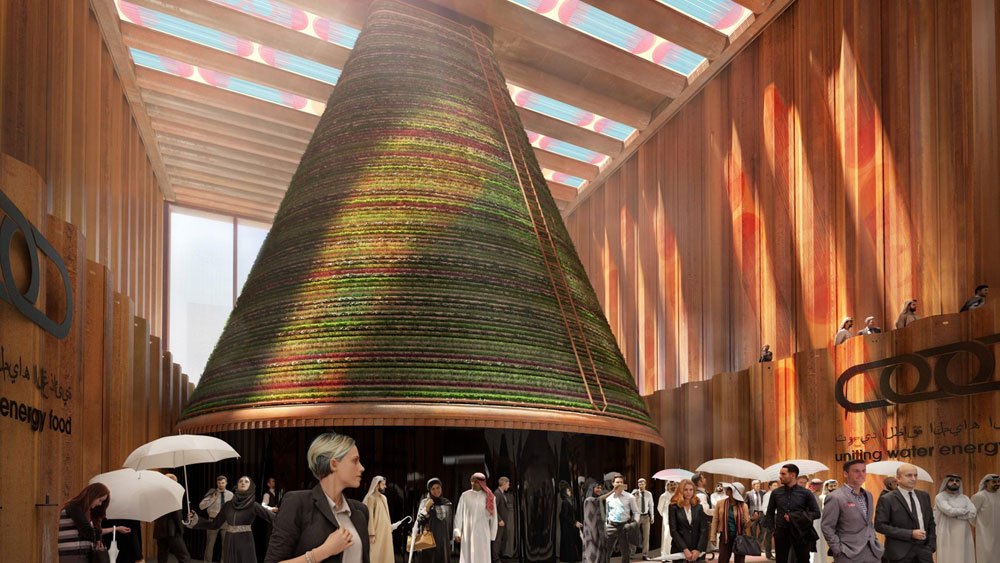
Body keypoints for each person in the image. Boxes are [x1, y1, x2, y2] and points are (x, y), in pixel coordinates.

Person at [263, 431, 370, 563]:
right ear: (334, 464)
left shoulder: (360, 511)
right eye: (355, 461)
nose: (362, 468)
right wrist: (323, 552)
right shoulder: (297, 503)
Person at [189, 476, 276, 562]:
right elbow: (214, 524)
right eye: (240, 481)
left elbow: (273, 518)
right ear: (237, 485)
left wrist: (287, 518)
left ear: (251, 486)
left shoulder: (253, 505)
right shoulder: (228, 505)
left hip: (245, 540)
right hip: (229, 540)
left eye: (246, 481)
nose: (243, 482)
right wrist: (195, 520)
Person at [819, 459, 883, 563]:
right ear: (845, 473)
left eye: (863, 471)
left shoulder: (868, 495)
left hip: (872, 551)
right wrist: (837, 550)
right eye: (856, 471)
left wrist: (875, 541)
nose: (861, 474)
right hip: (847, 553)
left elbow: (868, 523)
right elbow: (827, 526)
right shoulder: (835, 497)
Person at [873, 463, 935, 563]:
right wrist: (910, 534)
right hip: (899, 554)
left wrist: (931, 546)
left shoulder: (924, 496)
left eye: (915, 475)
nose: (913, 478)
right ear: (898, 478)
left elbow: (931, 523)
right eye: (909, 475)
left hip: (924, 552)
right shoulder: (887, 499)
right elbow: (880, 525)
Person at [58, 483, 129, 563]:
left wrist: (98, 539)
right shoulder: (74, 507)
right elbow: (87, 532)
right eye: (100, 500)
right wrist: (112, 530)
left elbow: (89, 532)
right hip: (74, 555)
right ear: (93, 495)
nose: (100, 504)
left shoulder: (83, 511)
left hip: (80, 554)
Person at [764, 464, 820, 563]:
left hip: (801, 532)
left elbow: (816, 513)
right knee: (781, 560)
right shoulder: (776, 493)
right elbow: (769, 513)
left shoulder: (806, 493)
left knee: (803, 560)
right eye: (780, 474)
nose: (780, 476)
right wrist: (772, 530)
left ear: (793, 475)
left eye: (783, 474)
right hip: (781, 532)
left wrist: (795, 517)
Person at [454, 472, 498, 563]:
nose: (474, 484)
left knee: (483, 557)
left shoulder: (490, 497)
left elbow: (494, 518)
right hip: (467, 533)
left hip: (483, 533)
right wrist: (457, 532)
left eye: (477, 482)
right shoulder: (465, 496)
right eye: (473, 481)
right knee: (468, 556)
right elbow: (459, 515)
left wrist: (492, 534)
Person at [933, 475, 975, 563]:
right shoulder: (940, 496)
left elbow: (973, 512)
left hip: (964, 533)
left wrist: (958, 515)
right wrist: (964, 511)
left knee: (963, 555)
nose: (954, 482)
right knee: (948, 555)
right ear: (946, 482)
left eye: (957, 481)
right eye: (951, 480)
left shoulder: (965, 498)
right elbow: (949, 511)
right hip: (947, 532)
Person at [667, 478, 709, 561]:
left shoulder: (698, 507)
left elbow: (704, 530)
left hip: (697, 550)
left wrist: (698, 550)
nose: (688, 492)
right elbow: (673, 531)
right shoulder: (673, 507)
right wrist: (685, 549)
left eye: (691, 489)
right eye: (685, 490)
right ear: (681, 490)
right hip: (679, 549)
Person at [154, 473, 191, 563]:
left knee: (162, 558)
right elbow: (177, 513)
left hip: (159, 531)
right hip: (172, 531)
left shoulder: (157, 494)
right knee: (184, 557)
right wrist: (181, 529)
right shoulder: (173, 493)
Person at [416, 478, 454, 563]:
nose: (436, 490)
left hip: (443, 541)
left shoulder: (447, 503)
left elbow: (450, 523)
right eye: (433, 488)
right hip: (429, 539)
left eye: (438, 487)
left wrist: (451, 539)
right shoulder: (425, 502)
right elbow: (419, 520)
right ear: (429, 490)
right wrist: (427, 507)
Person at [710, 483, 750, 563]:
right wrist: (713, 536)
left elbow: (745, 525)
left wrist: (752, 519)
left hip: (739, 537)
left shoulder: (743, 506)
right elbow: (715, 520)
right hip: (724, 536)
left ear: (734, 492)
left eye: (729, 489)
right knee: (723, 559)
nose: (727, 490)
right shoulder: (720, 503)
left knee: (739, 560)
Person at [603, 474, 638, 562]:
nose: (619, 484)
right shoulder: (609, 498)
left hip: (624, 526)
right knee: (606, 550)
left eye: (621, 482)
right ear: (613, 484)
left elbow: (636, 512)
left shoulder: (630, 497)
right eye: (617, 482)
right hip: (611, 526)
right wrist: (606, 524)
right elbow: (607, 512)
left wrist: (635, 523)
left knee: (625, 552)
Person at [200, 475, 234, 562]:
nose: (221, 484)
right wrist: (212, 499)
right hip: (213, 521)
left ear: (226, 483)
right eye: (219, 483)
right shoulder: (212, 493)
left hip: (226, 522)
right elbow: (201, 507)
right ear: (217, 483)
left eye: (223, 483)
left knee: (225, 545)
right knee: (210, 544)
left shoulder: (231, 495)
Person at [364, 476, 393, 563]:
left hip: (386, 531)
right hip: (377, 531)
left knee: (386, 553)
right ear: (377, 485)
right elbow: (370, 517)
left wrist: (389, 527)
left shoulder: (384, 498)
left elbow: (387, 515)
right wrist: (371, 533)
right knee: (376, 553)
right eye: (383, 484)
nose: (385, 486)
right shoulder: (371, 498)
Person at [972, 474, 999, 563]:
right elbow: (971, 515)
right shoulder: (979, 496)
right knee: (986, 557)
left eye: (998, 481)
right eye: (994, 482)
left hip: (998, 532)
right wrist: (981, 527)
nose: (997, 484)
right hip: (984, 534)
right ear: (986, 483)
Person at [582, 482, 608, 563]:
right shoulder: (589, 500)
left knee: (600, 551)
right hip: (591, 531)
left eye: (600, 488)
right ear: (592, 489)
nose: (599, 489)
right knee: (592, 553)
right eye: (597, 488)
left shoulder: (597, 500)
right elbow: (599, 499)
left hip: (599, 529)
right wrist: (613, 490)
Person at [558, 481, 583, 562]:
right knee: (569, 542)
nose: (570, 492)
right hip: (567, 526)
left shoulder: (569, 500)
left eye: (569, 491)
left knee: (570, 541)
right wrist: (574, 522)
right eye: (568, 491)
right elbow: (565, 515)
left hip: (569, 525)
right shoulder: (565, 501)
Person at [815, 480, 838, 562]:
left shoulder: (839, 496)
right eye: (831, 486)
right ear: (827, 487)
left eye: (835, 485)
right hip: (826, 522)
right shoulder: (822, 497)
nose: (833, 488)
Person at [633, 478, 655, 559]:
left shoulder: (649, 494)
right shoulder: (634, 493)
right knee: (634, 535)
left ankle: (645, 555)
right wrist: (635, 498)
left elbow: (651, 505)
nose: (641, 486)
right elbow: (631, 505)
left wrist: (652, 516)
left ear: (645, 484)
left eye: (642, 484)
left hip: (646, 516)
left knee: (646, 537)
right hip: (636, 516)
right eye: (639, 484)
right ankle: (631, 554)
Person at [493, 476, 511, 563]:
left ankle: (499, 556)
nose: (508, 486)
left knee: (503, 539)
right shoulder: (497, 493)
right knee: (497, 540)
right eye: (508, 484)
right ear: (503, 484)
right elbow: (494, 508)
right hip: (499, 522)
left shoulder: (502, 493)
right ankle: (496, 559)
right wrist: (499, 519)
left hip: (503, 522)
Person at [658, 481, 678, 558]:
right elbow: (660, 508)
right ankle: (665, 555)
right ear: (668, 486)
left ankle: (673, 555)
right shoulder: (664, 496)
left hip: (677, 519)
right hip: (667, 519)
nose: (672, 486)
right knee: (667, 536)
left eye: (674, 485)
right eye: (671, 485)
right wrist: (665, 516)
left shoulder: (678, 495)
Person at [745, 480, 766, 550]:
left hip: (761, 513)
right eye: (757, 486)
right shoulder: (748, 493)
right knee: (753, 531)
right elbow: (746, 505)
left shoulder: (763, 492)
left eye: (759, 486)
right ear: (753, 486)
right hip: (753, 514)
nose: (758, 487)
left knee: (763, 530)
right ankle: (754, 547)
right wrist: (747, 515)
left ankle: (758, 545)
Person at [761, 481, 779, 560]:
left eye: (777, 485)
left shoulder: (778, 494)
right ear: (770, 486)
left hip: (778, 516)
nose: (776, 487)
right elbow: (764, 508)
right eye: (774, 485)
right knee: (769, 535)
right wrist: (769, 517)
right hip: (770, 516)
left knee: (778, 535)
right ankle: (768, 554)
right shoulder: (767, 495)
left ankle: (778, 553)